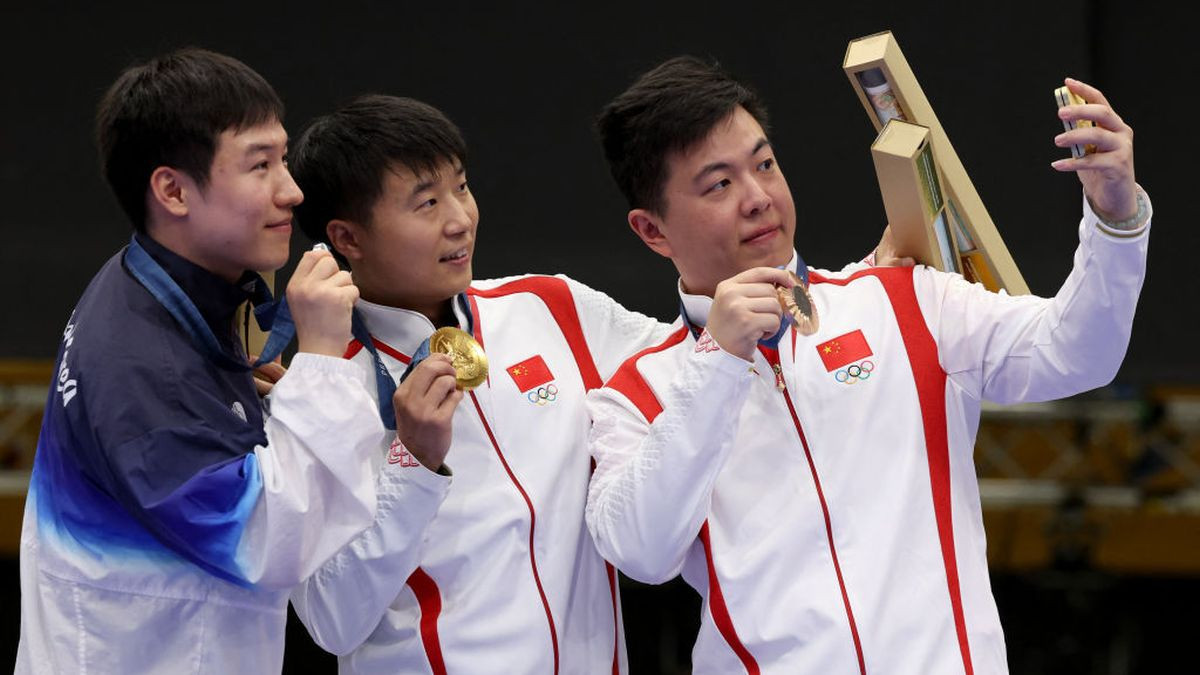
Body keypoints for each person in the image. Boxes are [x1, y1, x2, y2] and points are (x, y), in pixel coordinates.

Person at [585, 56, 1149, 674]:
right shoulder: (634, 396)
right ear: (652, 231)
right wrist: (717, 361)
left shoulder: (901, 299)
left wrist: (1116, 217)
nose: (758, 198)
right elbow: (641, 550)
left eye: (765, 164)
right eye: (718, 184)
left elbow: (1078, 353)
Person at [17, 48, 390, 673]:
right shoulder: (141, 362)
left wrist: (260, 399)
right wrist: (323, 360)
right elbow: (270, 541)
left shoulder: (156, 284)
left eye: (284, 157)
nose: (292, 191)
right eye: (259, 165)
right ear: (172, 190)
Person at [284, 95, 673, 674]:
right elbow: (330, 618)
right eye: (426, 203)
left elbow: (697, 364)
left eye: (461, 188)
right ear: (348, 238)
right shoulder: (324, 389)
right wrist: (412, 463)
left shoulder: (550, 307)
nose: (460, 218)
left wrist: (846, 289)